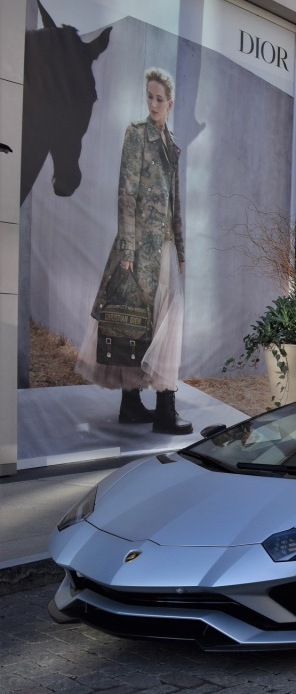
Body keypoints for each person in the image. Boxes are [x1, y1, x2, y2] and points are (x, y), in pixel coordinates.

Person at [76, 67, 190, 435]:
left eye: (160, 99)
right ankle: (160, 410)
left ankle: (137, 404)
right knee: (137, 322)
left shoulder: (173, 145)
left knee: (162, 320)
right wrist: (127, 245)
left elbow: (175, 202)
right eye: (150, 97)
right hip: (140, 247)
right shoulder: (136, 135)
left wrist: (182, 249)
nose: (153, 104)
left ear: (170, 104)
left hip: (165, 247)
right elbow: (126, 192)